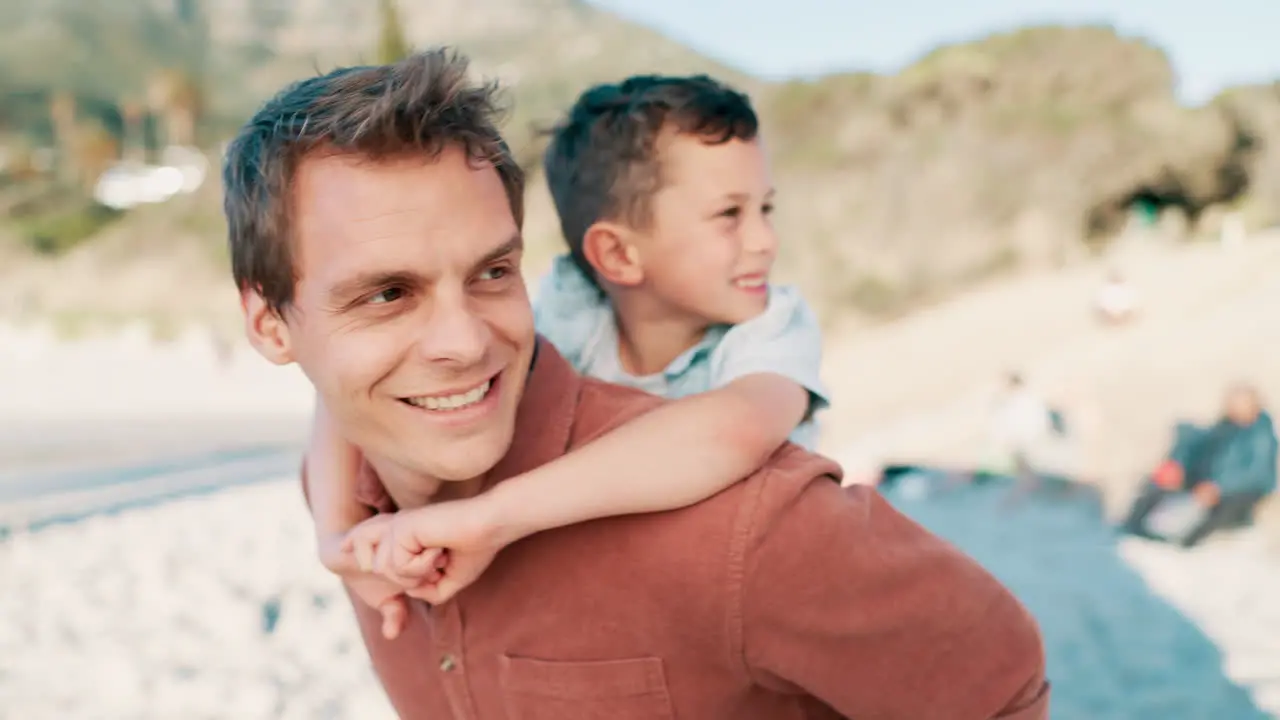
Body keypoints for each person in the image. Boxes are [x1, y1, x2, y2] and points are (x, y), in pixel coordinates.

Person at [225, 48, 1049, 719]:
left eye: (491, 272)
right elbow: (334, 406)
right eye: (387, 294)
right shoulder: (348, 472)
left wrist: (489, 517)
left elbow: (999, 682)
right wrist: (335, 537)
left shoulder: (747, 523)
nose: (463, 340)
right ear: (272, 326)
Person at [304, 71, 830, 629]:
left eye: (764, 209)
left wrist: (492, 516)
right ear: (618, 255)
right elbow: (341, 385)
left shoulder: (772, 325)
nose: (765, 241)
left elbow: (734, 430)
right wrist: (336, 535)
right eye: (730, 215)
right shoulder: (573, 306)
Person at [1121, 383, 1278, 547]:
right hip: (1207, 484)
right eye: (1231, 403)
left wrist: (1218, 487)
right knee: (1160, 483)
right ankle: (1135, 527)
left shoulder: (1261, 436)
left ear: (1253, 405)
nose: (1233, 408)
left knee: (1217, 511)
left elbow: (1255, 473)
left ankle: (1186, 543)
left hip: (1241, 492)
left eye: (1240, 404)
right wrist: (1179, 466)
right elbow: (1199, 451)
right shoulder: (1224, 428)